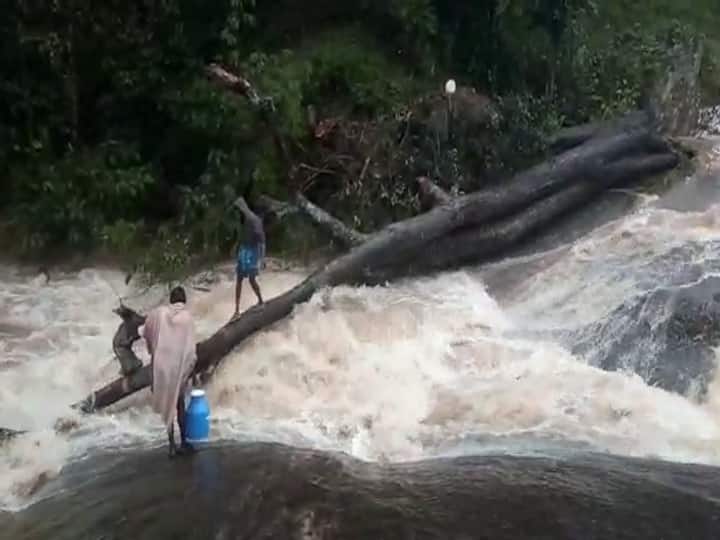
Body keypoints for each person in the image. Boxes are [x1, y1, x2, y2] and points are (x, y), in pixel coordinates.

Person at [141, 286, 197, 457]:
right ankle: (185, 442)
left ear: (171, 300)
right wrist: (190, 367)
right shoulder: (187, 317)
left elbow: (146, 332)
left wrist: (152, 349)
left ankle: (171, 445)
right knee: (179, 404)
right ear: (184, 301)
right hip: (178, 366)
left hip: (161, 366)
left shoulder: (159, 313)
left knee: (168, 406)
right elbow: (190, 347)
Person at [233, 196, 265, 318]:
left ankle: (261, 301)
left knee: (251, 280)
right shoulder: (244, 220)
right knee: (239, 280)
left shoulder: (255, 221)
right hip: (244, 250)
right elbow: (242, 235)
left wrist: (262, 259)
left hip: (252, 252)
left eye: (237, 210)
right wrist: (236, 246)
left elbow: (262, 241)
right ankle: (236, 310)